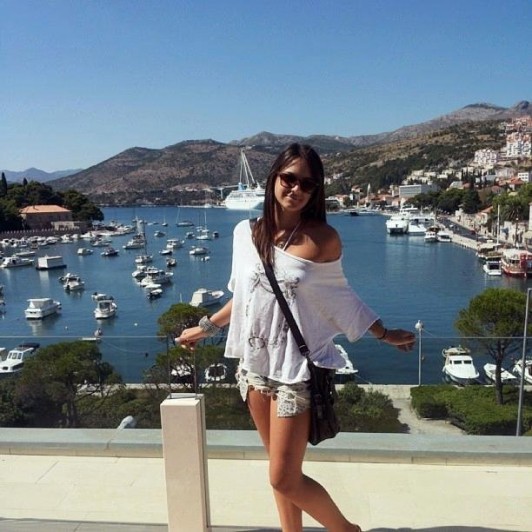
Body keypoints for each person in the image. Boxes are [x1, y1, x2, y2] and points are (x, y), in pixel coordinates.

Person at [177, 143, 415, 532]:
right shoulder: (245, 233)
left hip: (295, 371)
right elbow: (245, 297)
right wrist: (206, 328)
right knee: (279, 471)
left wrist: (384, 333)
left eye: (308, 183)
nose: (297, 189)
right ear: (274, 178)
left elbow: (341, 298)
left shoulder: (323, 239)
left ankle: (347, 530)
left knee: (283, 477)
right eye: (290, 178)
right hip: (255, 367)